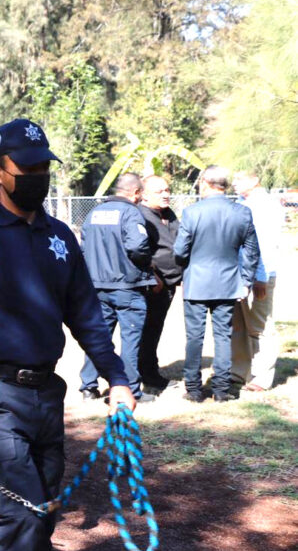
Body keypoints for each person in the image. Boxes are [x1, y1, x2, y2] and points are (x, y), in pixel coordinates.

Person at [0, 119, 137, 551]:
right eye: (26, 167)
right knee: (15, 514)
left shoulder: (61, 236)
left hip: (47, 396)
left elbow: (87, 316)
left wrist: (117, 378)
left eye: (43, 165)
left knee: (42, 513)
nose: (36, 175)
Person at [173, 165, 259, 402]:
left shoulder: (192, 213)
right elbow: (252, 252)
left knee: (194, 337)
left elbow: (180, 252)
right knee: (223, 337)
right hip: (228, 282)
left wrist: (185, 265)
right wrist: (247, 281)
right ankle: (221, 390)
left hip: (196, 283)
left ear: (205, 182)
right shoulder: (242, 212)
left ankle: (193, 389)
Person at [77, 173, 157, 403]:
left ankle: (88, 387)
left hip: (97, 286)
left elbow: (83, 249)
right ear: (135, 192)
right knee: (130, 339)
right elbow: (138, 246)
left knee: (98, 338)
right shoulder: (131, 213)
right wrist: (147, 263)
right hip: (127, 286)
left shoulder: (93, 213)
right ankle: (130, 388)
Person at [230, 171, 285, 392]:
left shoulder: (266, 205)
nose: (233, 183)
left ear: (254, 180)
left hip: (259, 275)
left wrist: (261, 278)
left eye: (238, 179)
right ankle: (238, 372)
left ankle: (262, 376)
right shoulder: (243, 202)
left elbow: (265, 243)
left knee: (260, 325)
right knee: (239, 325)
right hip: (239, 274)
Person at [136, 175, 182, 394]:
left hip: (170, 283)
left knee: (154, 330)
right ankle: (146, 377)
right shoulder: (138, 215)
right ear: (144, 195)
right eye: (159, 191)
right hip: (150, 285)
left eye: (167, 189)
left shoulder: (169, 214)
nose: (165, 194)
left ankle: (150, 373)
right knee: (145, 331)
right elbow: (136, 250)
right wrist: (151, 274)